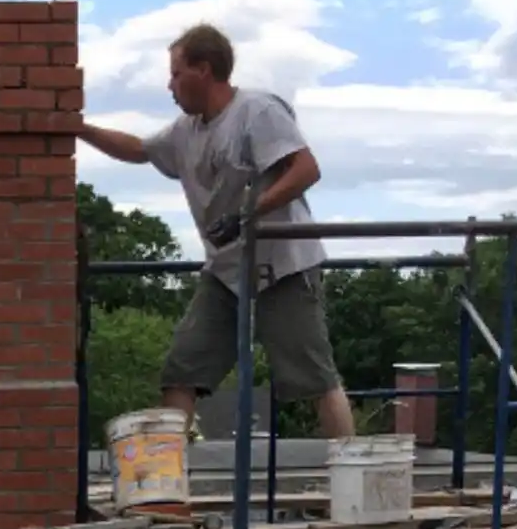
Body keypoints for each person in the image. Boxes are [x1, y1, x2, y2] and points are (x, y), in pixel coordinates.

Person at [78, 23, 356, 439]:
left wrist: (247, 214)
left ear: (203, 70)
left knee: (316, 378)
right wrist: (80, 129)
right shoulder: (185, 130)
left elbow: (305, 169)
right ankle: (167, 474)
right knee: (182, 372)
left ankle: (353, 471)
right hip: (226, 272)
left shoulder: (257, 112)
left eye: (176, 74)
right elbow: (139, 150)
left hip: (282, 267)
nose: (170, 86)